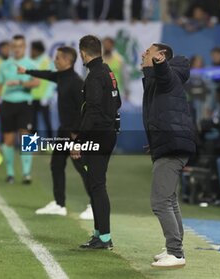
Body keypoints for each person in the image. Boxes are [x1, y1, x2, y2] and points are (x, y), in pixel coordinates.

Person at [18, 46, 93, 220]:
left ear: (68, 61)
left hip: (75, 133)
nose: (54, 60)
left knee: (82, 167)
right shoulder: (61, 77)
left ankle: (94, 205)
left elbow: (84, 111)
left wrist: (77, 136)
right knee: (56, 165)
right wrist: (27, 71)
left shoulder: (76, 83)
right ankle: (59, 205)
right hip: (63, 130)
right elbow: (47, 74)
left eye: (58, 58)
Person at [141, 43, 196, 267]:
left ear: (161, 56)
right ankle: (174, 246)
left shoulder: (167, 76)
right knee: (170, 199)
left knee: (160, 201)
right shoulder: (155, 82)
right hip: (169, 143)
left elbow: (165, 75)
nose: (144, 54)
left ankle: (176, 253)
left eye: (149, 51)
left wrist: (160, 64)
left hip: (173, 145)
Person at [71, 35, 121, 249]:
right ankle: (99, 235)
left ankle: (105, 238)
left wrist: (78, 141)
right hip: (108, 134)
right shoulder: (108, 72)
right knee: (95, 183)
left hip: (97, 136)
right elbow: (117, 101)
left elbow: (91, 111)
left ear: (83, 53)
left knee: (97, 186)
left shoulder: (93, 77)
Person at [0, 34, 39, 184]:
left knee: (27, 137)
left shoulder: (30, 63)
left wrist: (20, 82)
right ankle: (10, 173)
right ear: (11, 48)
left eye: (20, 46)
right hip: (7, 103)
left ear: (24, 47)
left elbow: (37, 82)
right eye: (15, 46)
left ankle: (26, 173)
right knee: (8, 140)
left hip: (25, 103)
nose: (17, 49)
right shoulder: (5, 65)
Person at [30, 40, 55, 138]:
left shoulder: (47, 61)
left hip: (44, 98)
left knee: (47, 122)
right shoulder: (30, 61)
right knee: (31, 123)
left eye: (32, 49)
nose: (31, 52)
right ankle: (30, 147)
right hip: (32, 97)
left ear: (37, 50)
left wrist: (47, 96)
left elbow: (52, 80)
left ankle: (50, 145)